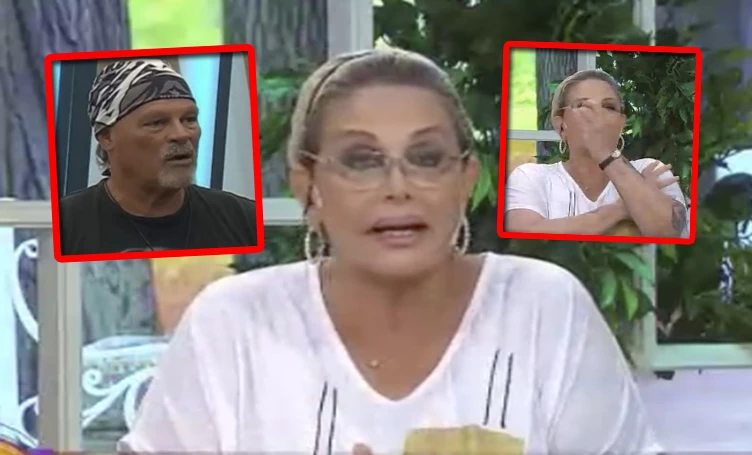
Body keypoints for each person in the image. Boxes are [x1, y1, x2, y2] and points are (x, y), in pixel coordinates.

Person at [118, 48, 662, 454]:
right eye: (361, 160)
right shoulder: (232, 322)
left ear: (464, 179)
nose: (397, 188)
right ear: (308, 185)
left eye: (426, 158)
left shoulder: (544, 309)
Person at [58, 59, 258, 255]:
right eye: (157, 123)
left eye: (189, 119)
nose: (181, 134)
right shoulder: (63, 226)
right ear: (106, 137)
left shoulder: (245, 221)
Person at [504, 69, 689, 238]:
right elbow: (522, 236)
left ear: (621, 123)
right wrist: (620, 209)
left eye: (609, 107)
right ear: (561, 125)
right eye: (583, 105)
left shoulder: (650, 169)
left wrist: (605, 153)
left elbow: (669, 234)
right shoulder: (532, 177)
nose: (597, 114)